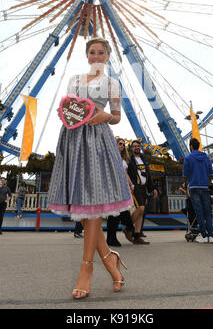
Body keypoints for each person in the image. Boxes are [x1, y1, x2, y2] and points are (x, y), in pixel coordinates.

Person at [47, 37, 133, 299]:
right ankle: (109, 257)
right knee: (82, 206)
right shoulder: (73, 80)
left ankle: (87, 268)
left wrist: (107, 115)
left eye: (101, 52)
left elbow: (116, 117)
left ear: (108, 56)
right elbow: (67, 107)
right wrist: (65, 114)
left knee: (92, 203)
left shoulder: (111, 84)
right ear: (87, 55)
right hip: (72, 139)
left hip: (97, 140)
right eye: (92, 52)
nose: (96, 56)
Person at [182, 138, 213, 243]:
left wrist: (185, 182)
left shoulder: (188, 158)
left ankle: (203, 235)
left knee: (199, 212)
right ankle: (211, 235)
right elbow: (210, 172)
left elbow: (185, 174)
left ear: (191, 146)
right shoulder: (206, 157)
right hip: (205, 187)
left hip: (194, 187)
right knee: (207, 211)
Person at [127, 140, 158, 244]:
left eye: (138, 146)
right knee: (140, 208)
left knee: (142, 212)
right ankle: (128, 228)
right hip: (135, 187)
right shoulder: (129, 160)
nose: (136, 148)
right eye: (134, 146)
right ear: (131, 148)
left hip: (143, 188)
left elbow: (148, 174)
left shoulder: (143, 159)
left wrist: (152, 188)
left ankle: (137, 235)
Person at [106, 138, 135, 246]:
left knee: (119, 212)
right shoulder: (111, 157)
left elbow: (125, 173)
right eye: (120, 144)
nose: (122, 146)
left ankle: (112, 237)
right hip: (114, 187)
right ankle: (111, 238)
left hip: (123, 188)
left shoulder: (123, 159)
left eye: (123, 144)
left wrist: (131, 184)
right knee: (114, 213)